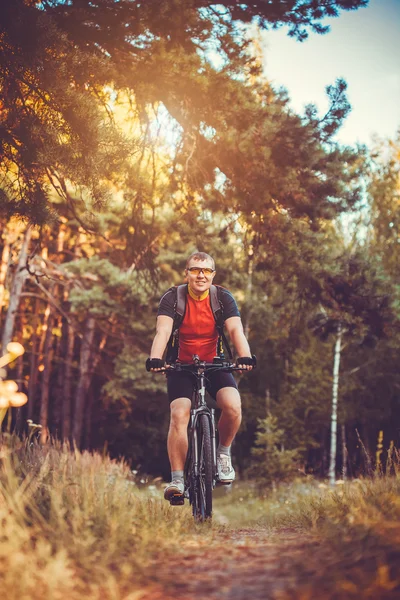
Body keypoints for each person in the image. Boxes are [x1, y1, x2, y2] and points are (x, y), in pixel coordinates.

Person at [146, 251, 254, 502]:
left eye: (206, 271)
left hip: (215, 364)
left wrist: (245, 356)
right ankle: (177, 480)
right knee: (179, 414)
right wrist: (155, 358)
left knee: (233, 406)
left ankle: (223, 455)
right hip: (181, 366)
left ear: (213, 275)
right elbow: (162, 331)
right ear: (187, 273)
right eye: (195, 270)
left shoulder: (222, 297)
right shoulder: (173, 298)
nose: (201, 275)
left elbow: (235, 329)